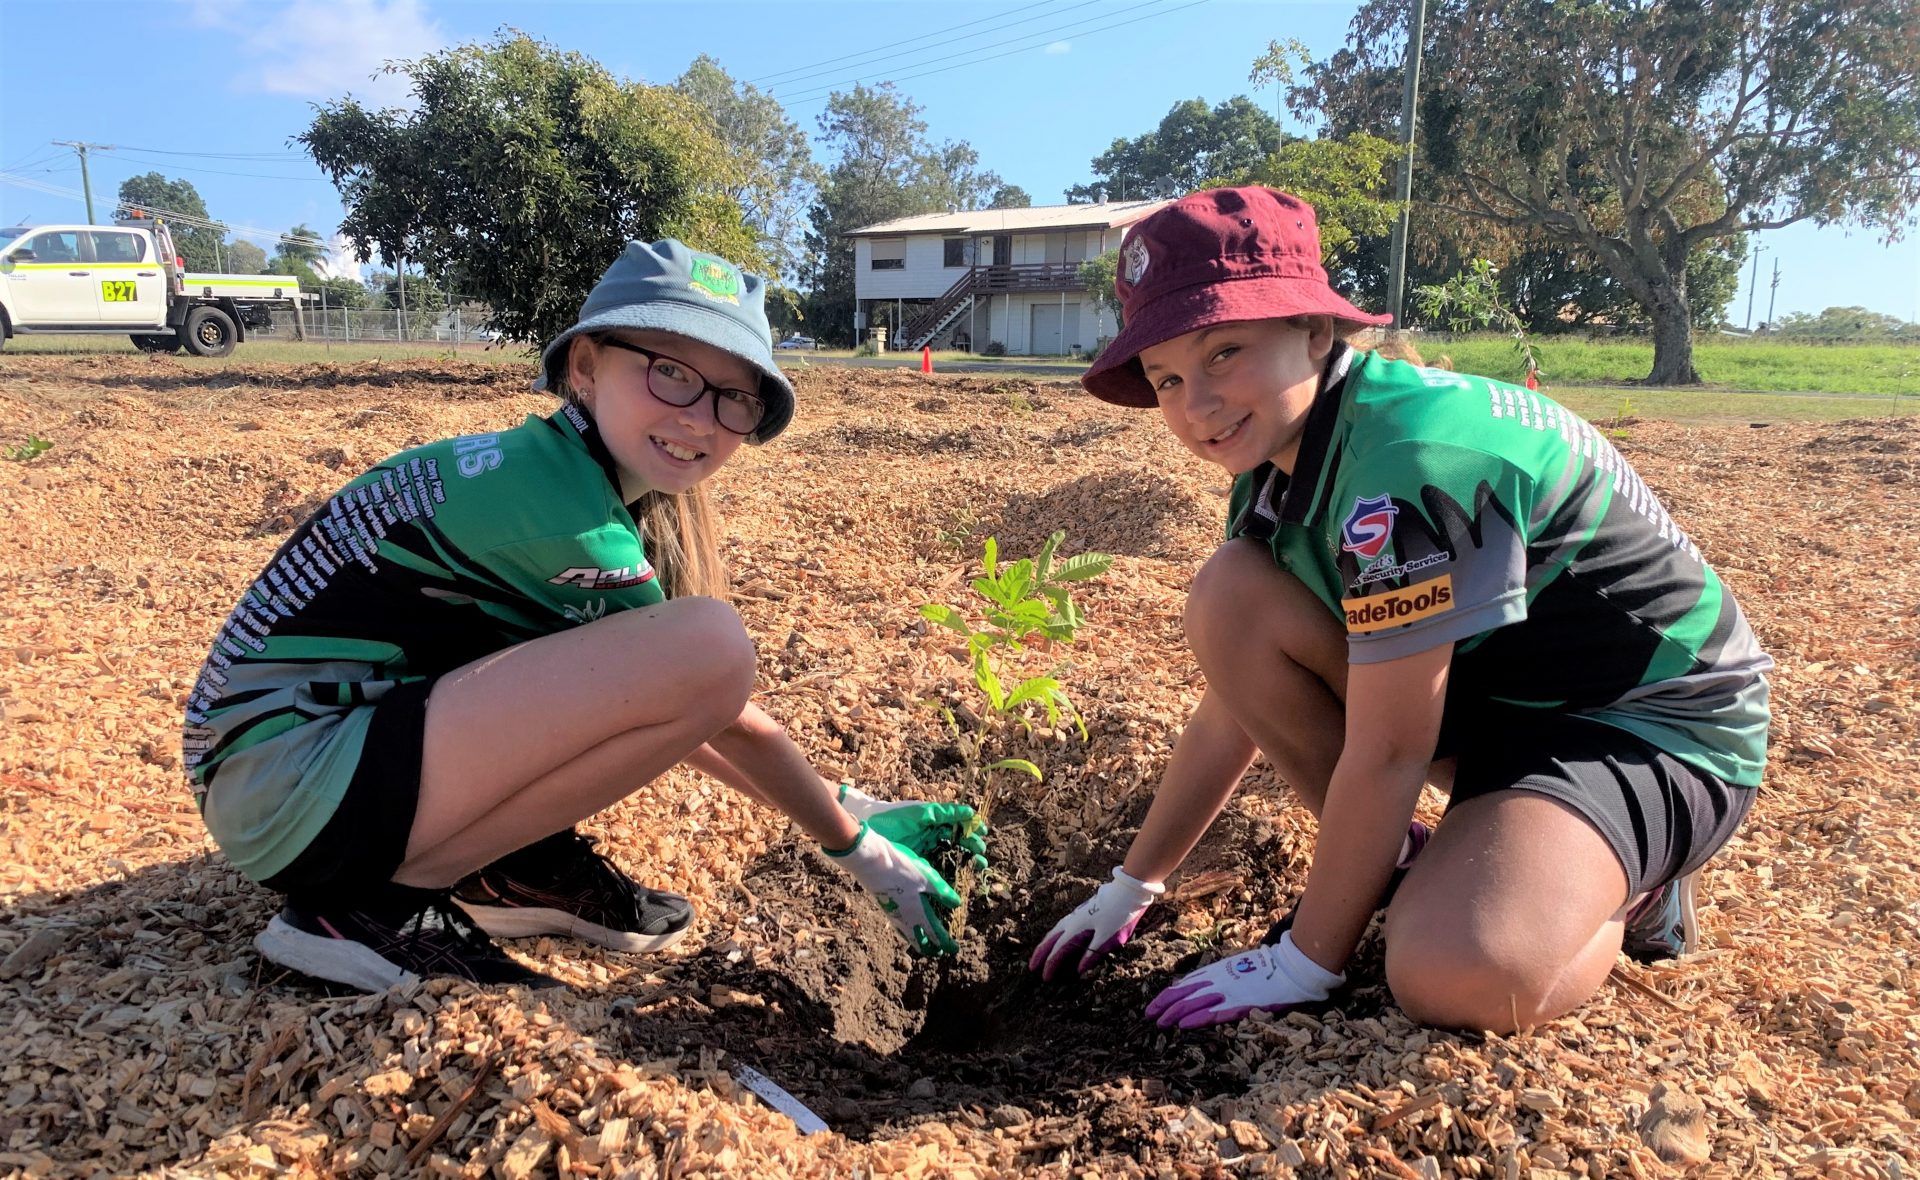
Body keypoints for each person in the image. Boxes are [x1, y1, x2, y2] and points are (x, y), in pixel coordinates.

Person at [1029, 188, 1769, 1033]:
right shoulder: (1279, 460)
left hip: (1649, 722)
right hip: (1498, 698)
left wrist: (1305, 962)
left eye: (1224, 352)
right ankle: (1422, 864)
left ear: (1312, 331)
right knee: (1232, 592)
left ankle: (1632, 886)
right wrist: (1135, 883)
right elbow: (1235, 704)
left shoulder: (1412, 456)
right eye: (1166, 378)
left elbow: (1390, 749)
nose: (1194, 404)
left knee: (1457, 974)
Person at [183, 240, 985, 992]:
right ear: (586, 366)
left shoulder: (546, 468)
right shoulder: (570, 524)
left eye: (735, 397)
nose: (700, 417)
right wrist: (859, 847)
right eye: (670, 372)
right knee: (710, 643)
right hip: (294, 790)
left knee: (684, 659)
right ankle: (362, 916)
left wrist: (846, 803)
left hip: (292, 772)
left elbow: (654, 711)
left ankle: (506, 866)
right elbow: (711, 704)